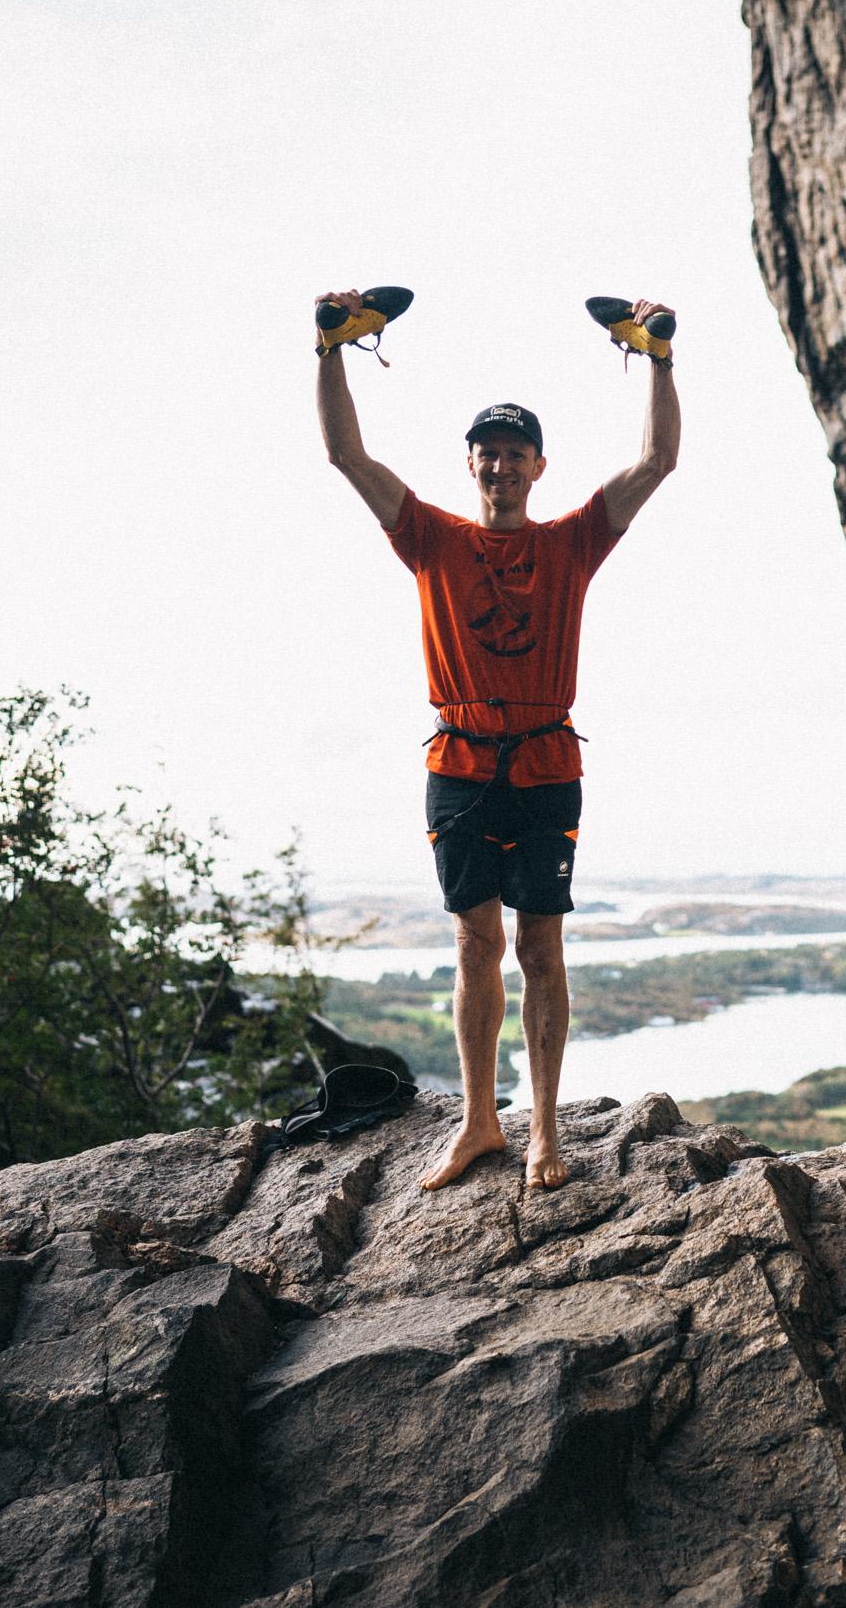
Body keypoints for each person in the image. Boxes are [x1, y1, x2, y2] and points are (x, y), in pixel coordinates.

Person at [314, 291, 679, 1190]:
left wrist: (661, 358)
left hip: (547, 762)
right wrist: (329, 348)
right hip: (460, 764)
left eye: (516, 453)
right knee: (475, 945)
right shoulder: (431, 538)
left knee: (541, 948)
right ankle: (482, 1122)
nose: (501, 465)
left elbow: (659, 459)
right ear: (471, 464)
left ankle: (545, 1131)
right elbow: (343, 454)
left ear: (539, 465)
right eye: (489, 452)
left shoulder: (572, 543)